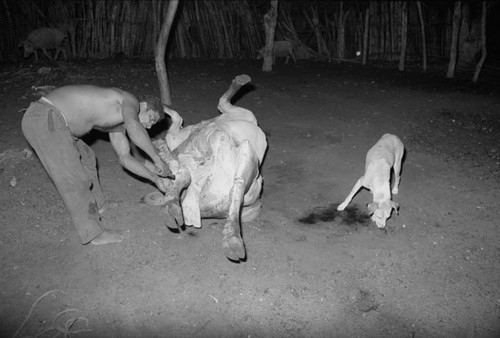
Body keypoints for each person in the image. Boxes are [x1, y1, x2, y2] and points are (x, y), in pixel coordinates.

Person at [21, 85, 174, 245]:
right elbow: (134, 127)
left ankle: (98, 204)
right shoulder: (130, 100)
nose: (149, 126)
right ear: (143, 106)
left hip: (57, 125)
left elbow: (124, 157)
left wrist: (155, 178)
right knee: (74, 178)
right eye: (151, 119)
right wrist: (157, 159)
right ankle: (93, 234)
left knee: (87, 158)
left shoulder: (117, 120)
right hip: (46, 118)